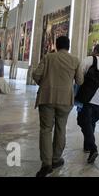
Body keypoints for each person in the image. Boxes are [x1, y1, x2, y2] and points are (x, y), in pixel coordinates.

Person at [32, 36, 83, 177]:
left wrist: (44, 84)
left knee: (46, 130)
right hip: (65, 100)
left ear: (56, 45)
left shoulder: (48, 57)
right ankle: (56, 159)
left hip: (47, 98)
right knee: (61, 129)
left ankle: (46, 164)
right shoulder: (75, 60)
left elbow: (36, 74)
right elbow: (79, 80)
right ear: (69, 46)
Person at [77, 44, 99, 164]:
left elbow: (79, 77)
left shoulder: (88, 59)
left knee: (82, 121)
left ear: (95, 50)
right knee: (91, 122)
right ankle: (87, 145)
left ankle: (93, 148)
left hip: (87, 98)